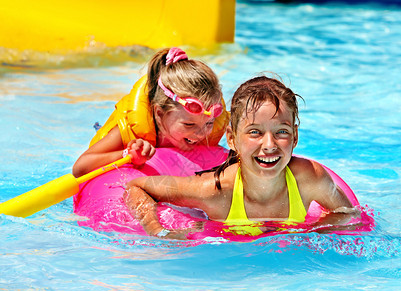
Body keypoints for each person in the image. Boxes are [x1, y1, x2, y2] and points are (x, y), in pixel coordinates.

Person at [123, 75, 359, 239]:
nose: (269, 145)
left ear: (295, 137)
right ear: (232, 139)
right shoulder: (214, 192)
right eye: (255, 132)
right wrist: (157, 230)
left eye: (282, 132)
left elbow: (348, 214)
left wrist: (312, 234)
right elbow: (136, 187)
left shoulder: (310, 178)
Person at [72, 47, 229, 177]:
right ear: (159, 114)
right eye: (189, 124)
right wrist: (128, 155)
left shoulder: (210, 128)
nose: (201, 134)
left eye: (209, 123)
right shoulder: (132, 130)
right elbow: (80, 168)